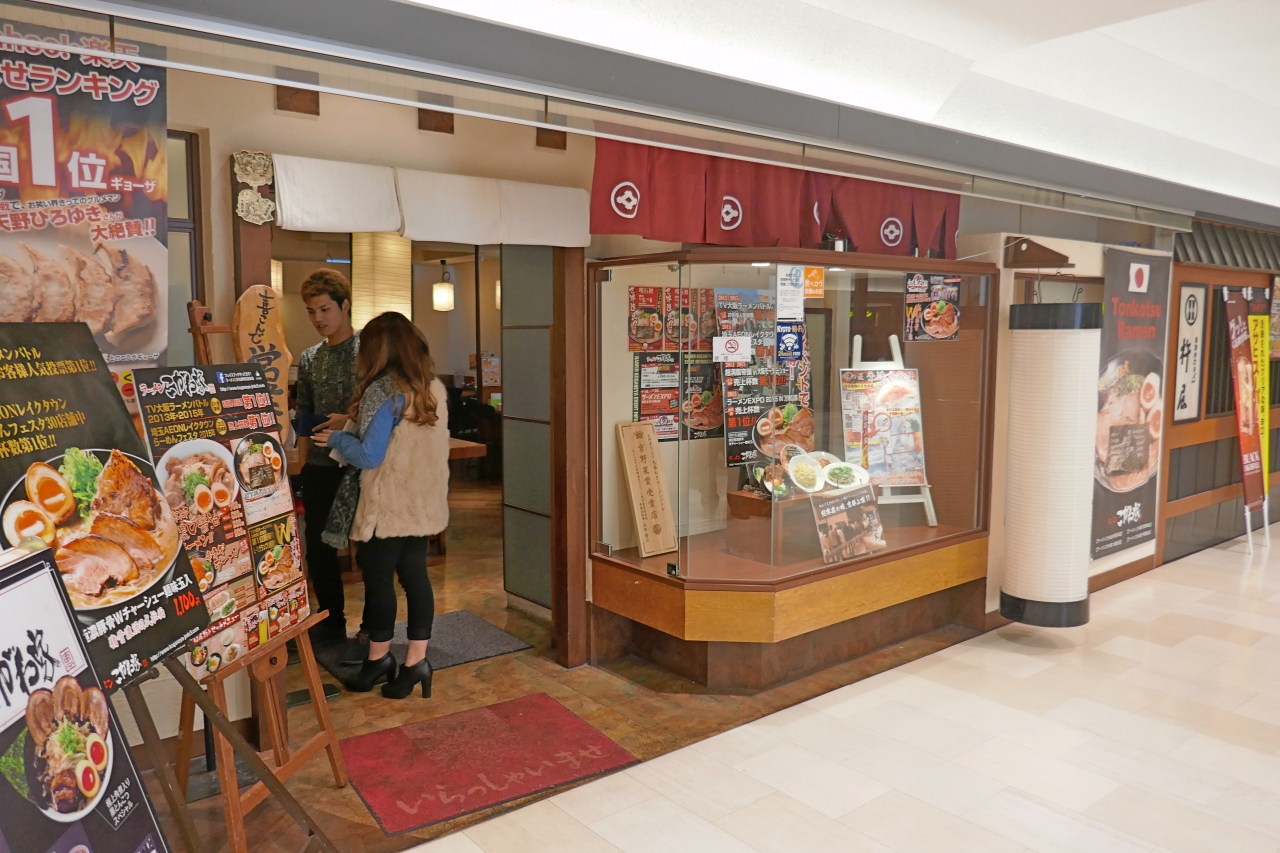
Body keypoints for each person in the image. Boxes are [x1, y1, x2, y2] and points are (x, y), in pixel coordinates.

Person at [314, 312, 450, 699]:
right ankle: (416, 663)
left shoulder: (382, 390)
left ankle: (378, 660)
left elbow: (369, 456)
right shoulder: (432, 387)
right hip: (420, 503)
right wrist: (352, 422)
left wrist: (337, 438)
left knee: (378, 583)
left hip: (385, 504)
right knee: (416, 579)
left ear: (377, 350)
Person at [294, 270, 361, 656]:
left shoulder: (367, 350)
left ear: (344, 305)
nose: (318, 318)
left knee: (369, 546)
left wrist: (347, 421)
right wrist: (303, 467)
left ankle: (373, 628)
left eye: (324, 309)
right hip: (320, 465)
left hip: (362, 463)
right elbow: (304, 416)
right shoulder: (309, 358)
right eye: (311, 311)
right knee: (319, 549)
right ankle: (332, 620)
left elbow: (383, 409)